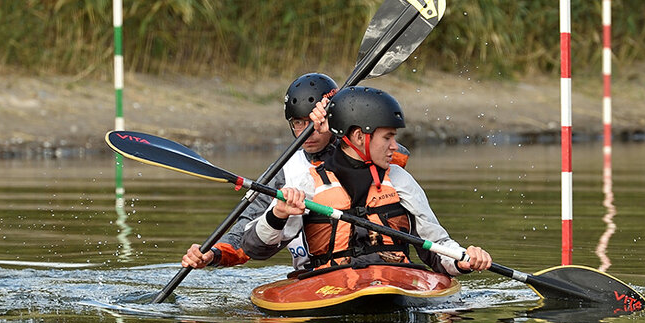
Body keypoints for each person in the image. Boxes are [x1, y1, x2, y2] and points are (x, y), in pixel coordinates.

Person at [241, 85, 492, 275]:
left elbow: (436, 248)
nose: (396, 147)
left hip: (394, 280)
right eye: (388, 138)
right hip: (329, 282)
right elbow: (256, 248)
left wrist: (462, 258)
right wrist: (278, 214)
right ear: (360, 137)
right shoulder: (308, 183)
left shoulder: (400, 180)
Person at [179, 72, 339, 270]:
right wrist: (213, 254)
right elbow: (243, 236)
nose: (306, 132)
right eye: (298, 123)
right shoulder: (284, 171)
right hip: (314, 274)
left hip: (370, 267)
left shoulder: (364, 153)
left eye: (312, 122)